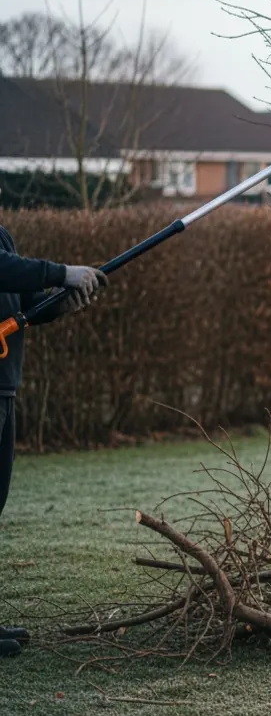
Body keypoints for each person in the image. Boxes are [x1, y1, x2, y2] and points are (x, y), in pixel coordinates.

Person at [0, 225, 107, 658]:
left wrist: (60, 302)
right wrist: (62, 271)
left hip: (4, 386)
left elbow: (23, 302)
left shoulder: (2, 235)